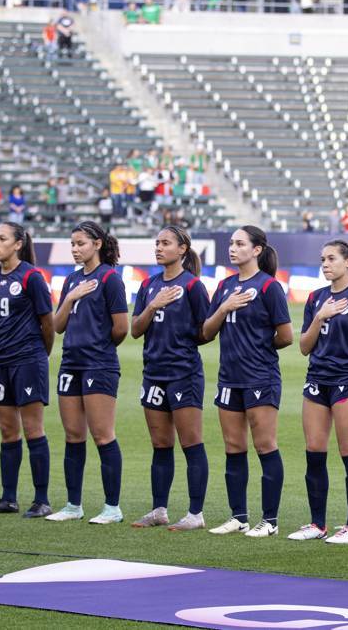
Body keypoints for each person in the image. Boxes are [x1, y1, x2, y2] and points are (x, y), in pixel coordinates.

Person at [203, 226, 293, 537]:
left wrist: (257, 348)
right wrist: (224, 308)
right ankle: (238, 516)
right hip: (229, 377)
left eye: (240, 244)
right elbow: (206, 331)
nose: (233, 248)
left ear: (256, 250)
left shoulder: (269, 288)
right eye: (231, 243)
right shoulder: (225, 286)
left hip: (260, 377)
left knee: (265, 445)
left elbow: (286, 336)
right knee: (233, 447)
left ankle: (270, 521)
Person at [290, 240, 348, 544]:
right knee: (314, 452)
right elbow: (304, 347)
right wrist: (320, 317)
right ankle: (317, 524)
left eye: (331, 259)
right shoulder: (316, 298)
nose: (325, 264)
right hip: (316, 380)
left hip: (347, 383)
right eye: (322, 259)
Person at [46, 222, 128, 524]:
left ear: (96, 244)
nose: (75, 249)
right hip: (71, 363)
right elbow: (58, 325)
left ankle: (112, 507)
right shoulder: (70, 281)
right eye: (73, 244)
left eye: (81, 243)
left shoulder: (110, 279)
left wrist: (98, 347)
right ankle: (73, 505)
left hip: (99, 365)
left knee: (103, 435)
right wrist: (70, 297)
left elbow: (121, 328)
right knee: (73, 435)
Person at [130, 226, 212, 531]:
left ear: (182, 249)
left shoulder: (192, 287)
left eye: (166, 243)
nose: (159, 247)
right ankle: (159, 509)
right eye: (157, 243)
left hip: (183, 373)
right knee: (160, 444)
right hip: (153, 373)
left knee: (191, 443)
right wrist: (153, 305)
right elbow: (135, 329)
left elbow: (205, 331)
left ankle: (195, 513)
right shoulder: (149, 286)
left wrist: (181, 339)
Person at [0, 222, 54, 517]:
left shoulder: (32, 277)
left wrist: (40, 356)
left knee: (33, 428)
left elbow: (47, 323)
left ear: (18, 244)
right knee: (7, 430)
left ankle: (41, 500)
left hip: (27, 360)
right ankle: (8, 498)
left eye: (2, 238)